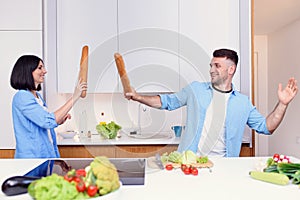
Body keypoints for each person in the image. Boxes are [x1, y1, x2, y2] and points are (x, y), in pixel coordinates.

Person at [124, 48, 298, 157]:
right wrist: (138, 97)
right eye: (211, 65)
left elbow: (266, 127)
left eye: (217, 66)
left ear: (231, 69)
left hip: (223, 167)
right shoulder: (195, 90)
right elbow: (167, 102)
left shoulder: (243, 103)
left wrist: (282, 104)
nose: (211, 70)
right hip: (189, 163)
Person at [10, 55, 87, 158]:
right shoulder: (22, 96)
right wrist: (75, 96)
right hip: (31, 159)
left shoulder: (37, 97)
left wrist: (58, 121)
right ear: (28, 71)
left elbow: (43, 123)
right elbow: (47, 121)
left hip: (45, 156)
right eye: (40, 68)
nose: (45, 71)